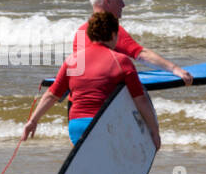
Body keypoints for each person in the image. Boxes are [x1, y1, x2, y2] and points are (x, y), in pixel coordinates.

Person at [23, 10, 160, 148]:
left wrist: (33, 121)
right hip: (104, 126)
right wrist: (154, 131)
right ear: (113, 35)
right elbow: (140, 99)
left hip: (76, 127)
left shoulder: (73, 59)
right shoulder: (121, 61)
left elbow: (51, 95)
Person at [74, 0, 193, 85]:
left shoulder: (79, 32)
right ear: (108, 0)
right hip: (102, 98)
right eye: (120, 0)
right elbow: (141, 55)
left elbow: (76, 71)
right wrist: (175, 69)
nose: (123, 5)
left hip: (76, 100)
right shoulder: (110, 31)